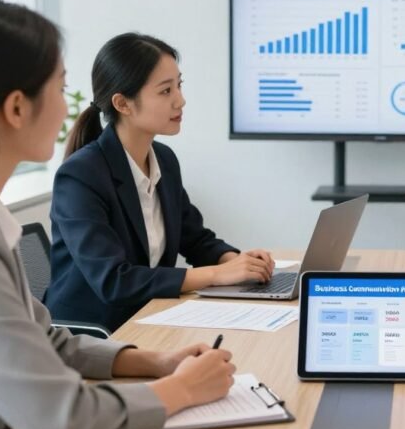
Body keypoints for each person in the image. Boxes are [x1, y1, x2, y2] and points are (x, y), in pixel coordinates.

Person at [0, 0, 236, 429]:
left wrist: (156, 362)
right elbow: (62, 421)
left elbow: (47, 339)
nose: (70, 105)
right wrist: (183, 389)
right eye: (61, 86)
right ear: (15, 107)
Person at [44, 33, 275, 331]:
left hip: (150, 317)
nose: (181, 100)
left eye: (179, 85)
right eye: (165, 91)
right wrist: (218, 275)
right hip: (94, 333)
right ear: (123, 104)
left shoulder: (163, 159)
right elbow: (115, 281)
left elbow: (196, 239)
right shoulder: (80, 176)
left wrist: (240, 263)